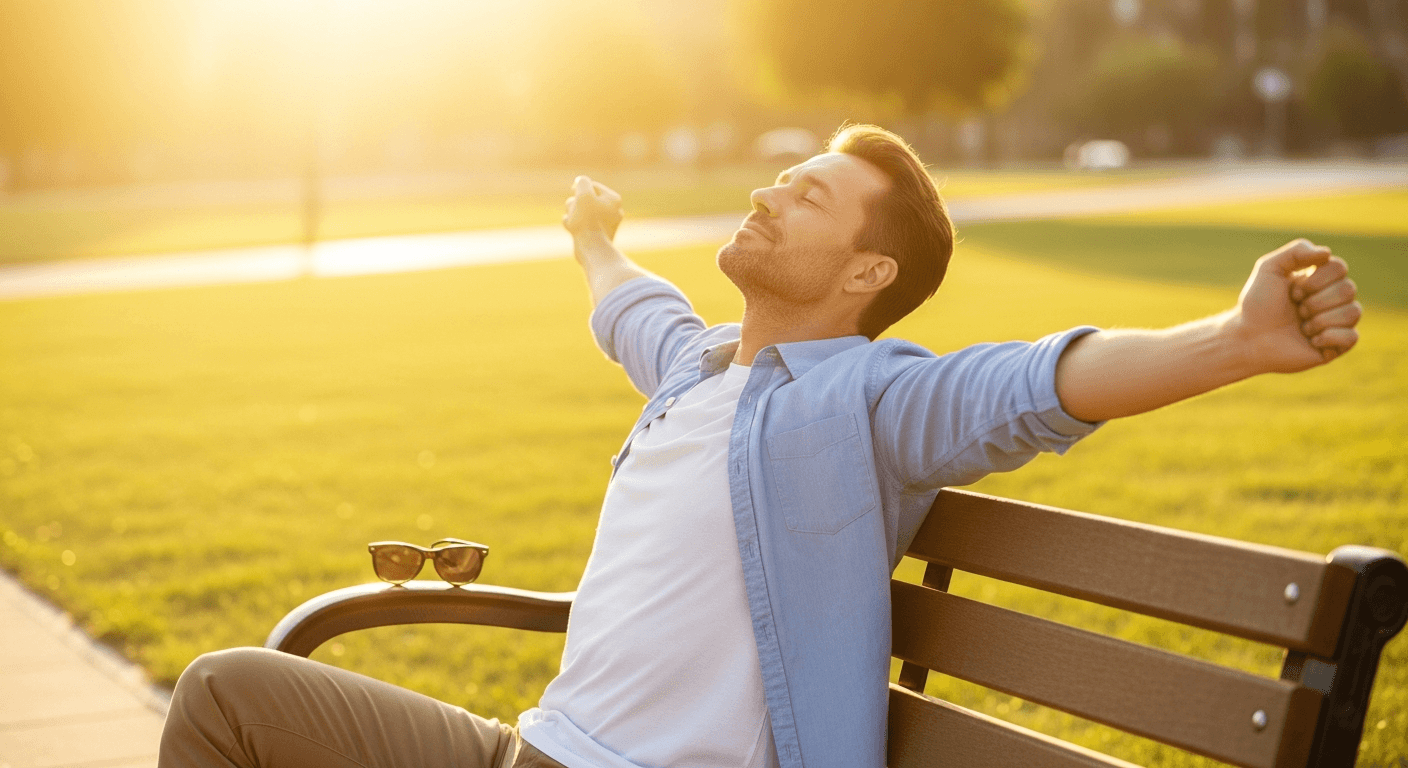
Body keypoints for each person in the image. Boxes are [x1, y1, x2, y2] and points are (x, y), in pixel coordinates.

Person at [157, 124, 1361, 768]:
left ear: (865, 272)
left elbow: (1027, 383)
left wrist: (1233, 340)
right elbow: (631, 306)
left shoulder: (869, 404)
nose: (771, 192)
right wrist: (593, 237)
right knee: (230, 696)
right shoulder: (693, 371)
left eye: (808, 195)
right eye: (782, 175)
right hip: (525, 753)